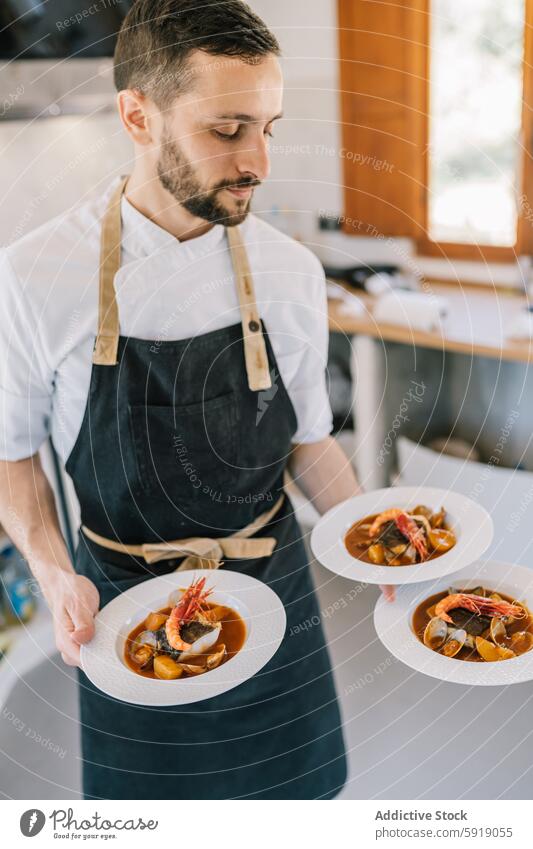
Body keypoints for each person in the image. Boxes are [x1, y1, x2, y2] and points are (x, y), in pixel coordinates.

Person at [0, 0, 394, 800]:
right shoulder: (33, 275)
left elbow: (309, 442)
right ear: (137, 117)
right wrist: (52, 570)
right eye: (227, 129)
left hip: (274, 591)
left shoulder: (289, 272)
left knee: (294, 803)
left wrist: (378, 539)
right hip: (118, 608)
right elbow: (13, 456)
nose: (258, 160)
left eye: (269, 127)